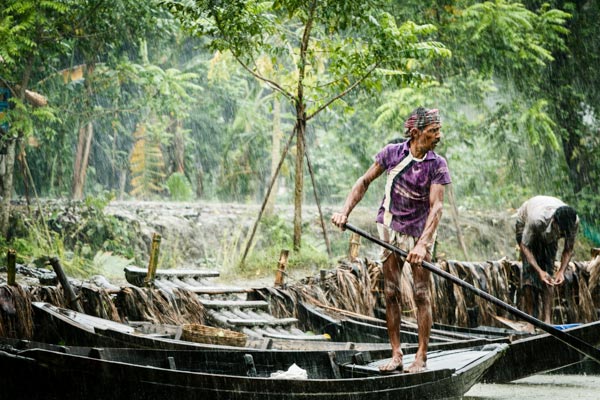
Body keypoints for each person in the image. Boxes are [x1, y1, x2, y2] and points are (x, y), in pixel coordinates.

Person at [331, 107, 451, 373]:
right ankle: (396, 354)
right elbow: (364, 182)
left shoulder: (437, 164)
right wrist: (344, 212)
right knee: (390, 291)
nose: (438, 136)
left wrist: (422, 244)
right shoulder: (392, 153)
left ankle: (421, 356)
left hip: (420, 232)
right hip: (390, 227)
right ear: (416, 133)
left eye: (439, 130)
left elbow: (437, 207)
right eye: (433, 131)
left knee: (421, 294)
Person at [515, 195, 579, 324]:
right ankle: (530, 322)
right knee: (530, 275)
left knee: (549, 276)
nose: (562, 235)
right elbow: (524, 246)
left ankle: (547, 321)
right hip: (525, 223)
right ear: (554, 222)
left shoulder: (574, 222)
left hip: (548, 234)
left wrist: (561, 271)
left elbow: (568, 249)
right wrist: (539, 271)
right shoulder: (536, 220)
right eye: (561, 231)